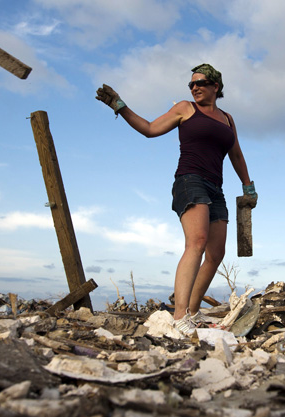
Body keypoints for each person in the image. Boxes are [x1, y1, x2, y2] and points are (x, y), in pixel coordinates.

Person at [96, 63, 256, 335]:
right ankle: (179, 315)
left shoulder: (228, 119)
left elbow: (236, 154)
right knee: (196, 241)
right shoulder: (185, 108)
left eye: (200, 83)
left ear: (215, 86)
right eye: (191, 84)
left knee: (216, 253)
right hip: (189, 180)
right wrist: (120, 106)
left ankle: (192, 313)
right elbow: (149, 128)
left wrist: (248, 186)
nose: (194, 87)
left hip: (216, 187)